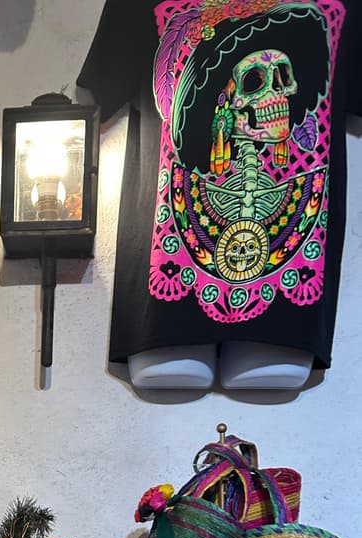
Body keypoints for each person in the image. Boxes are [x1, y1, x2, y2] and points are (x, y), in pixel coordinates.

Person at [77, 0, 362, 392]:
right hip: (163, 317)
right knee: (169, 374)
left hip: (289, 322)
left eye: (282, 79)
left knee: (272, 374)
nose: (277, 95)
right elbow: (99, 89)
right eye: (255, 82)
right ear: (223, 103)